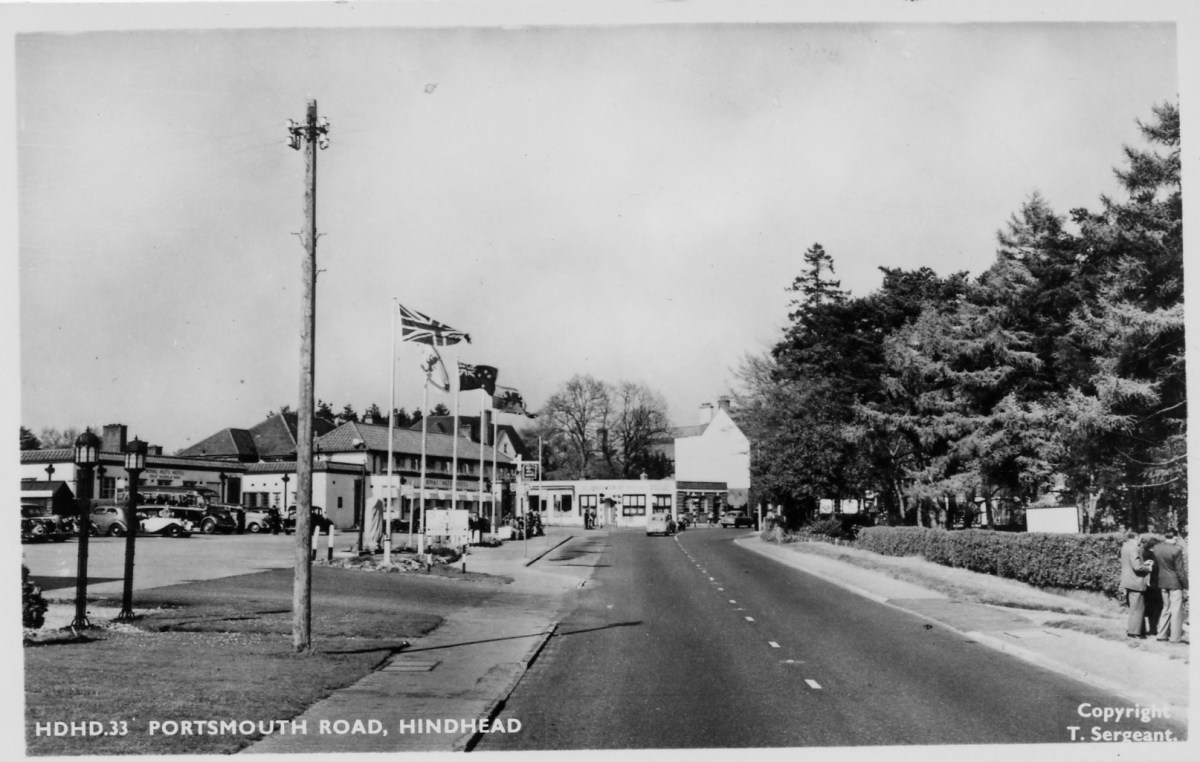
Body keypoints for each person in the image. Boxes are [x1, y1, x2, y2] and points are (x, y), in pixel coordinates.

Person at [1150, 528, 1188, 643]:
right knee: (1176, 611)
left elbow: (1156, 566)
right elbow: (1180, 571)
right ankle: (1175, 638)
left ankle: (1161, 634)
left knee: (1166, 608)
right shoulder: (1176, 550)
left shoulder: (1157, 548)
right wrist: (1187, 586)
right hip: (1175, 583)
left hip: (1162, 582)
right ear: (1175, 537)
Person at [1118, 531, 1152, 638]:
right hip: (1135, 582)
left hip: (1128, 581)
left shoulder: (1125, 546)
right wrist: (1148, 568)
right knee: (1137, 609)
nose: (1140, 541)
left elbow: (1131, 563)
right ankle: (1134, 632)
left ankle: (1136, 631)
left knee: (1134, 608)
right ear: (1136, 537)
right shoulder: (1134, 548)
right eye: (1139, 538)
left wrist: (1143, 563)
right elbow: (1137, 567)